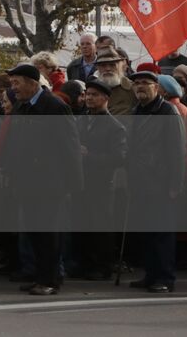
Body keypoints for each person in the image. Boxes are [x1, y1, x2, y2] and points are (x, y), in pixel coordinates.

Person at [0, 63, 81, 295]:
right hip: (26, 182)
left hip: (50, 183)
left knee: (49, 235)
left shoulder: (54, 106)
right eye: (12, 83)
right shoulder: (21, 107)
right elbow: (14, 144)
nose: (13, 88)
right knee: (34, 233)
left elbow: (70, 146)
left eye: (17, 83)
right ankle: (39, 276)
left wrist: (73, 182)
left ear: (33, 83)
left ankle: (50, 280)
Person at [127, 70, 184, 293]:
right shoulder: (136, 111)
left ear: (157, 87)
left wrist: (174, 185)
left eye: (145, 83)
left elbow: (176, 151)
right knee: (147, 233)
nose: (140, 87)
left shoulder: (168, 112)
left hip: (161, 183)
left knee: (162, 234)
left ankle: (165, 277)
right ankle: (150, 274)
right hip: (140, 182)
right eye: (137, 83)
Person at [72, 79, 126, 280]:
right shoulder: (81, 120)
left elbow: (119, 157)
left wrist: (89, 156)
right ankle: (83, 263)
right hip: (81, 182)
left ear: (105, 99)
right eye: (88, 94)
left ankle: (102, 266)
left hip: (101, 184)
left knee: (100, 226)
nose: (89, 98)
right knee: (81, 224)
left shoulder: (114, 126)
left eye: (94, 95)